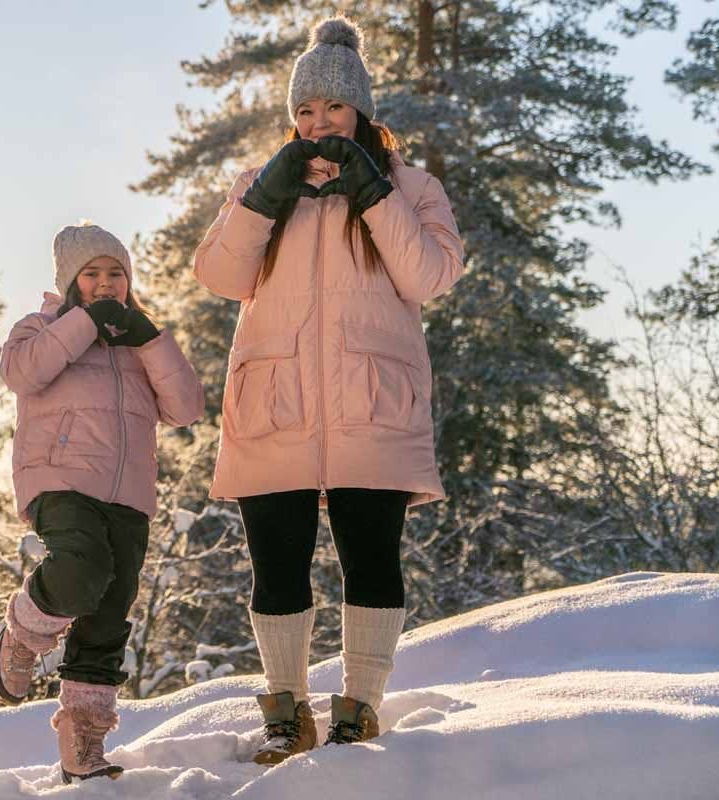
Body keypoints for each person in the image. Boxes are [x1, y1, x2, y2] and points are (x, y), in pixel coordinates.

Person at [192, 15, 465, 765]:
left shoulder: (411, 186)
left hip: (371, 398)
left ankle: (360, 708)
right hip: (274, 399)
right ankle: (287, 715)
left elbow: (430, 276)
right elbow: (218, 275)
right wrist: (262, 200)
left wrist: (376, 194)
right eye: (304, 111)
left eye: (333, 109)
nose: (317, 124)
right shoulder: (260, 185)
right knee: (275, 566)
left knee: (370, 558)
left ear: (361, 112)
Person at [0, 222, 204, 782]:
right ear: (71, 282)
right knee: (82, 571)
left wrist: (149, 337)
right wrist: (84, 323)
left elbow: (184, 407)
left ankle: (82, 744)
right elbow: (21, 373)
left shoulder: (139, 345)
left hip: (129, 495)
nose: (106, 284)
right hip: (60, 481)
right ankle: (23, 632)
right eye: (93, 275)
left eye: (116, 274)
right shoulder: (41, 327)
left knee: (109, 610)